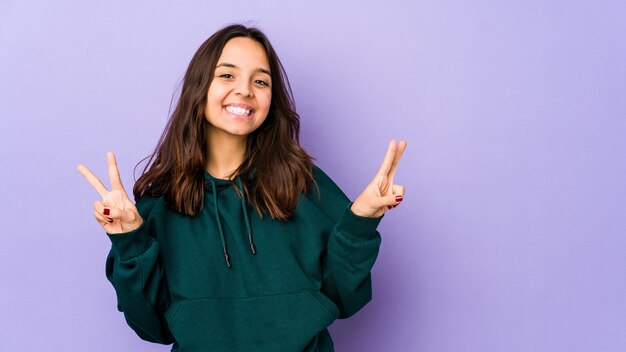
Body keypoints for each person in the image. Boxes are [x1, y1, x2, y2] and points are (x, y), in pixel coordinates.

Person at [77, 24, 406, 352]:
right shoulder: (161, 202)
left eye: (260, 81)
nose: (245, 90)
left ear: (270, 99)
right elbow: (151, 326)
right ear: (200, 87)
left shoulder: (303, 184)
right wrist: (131, 241)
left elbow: (345, 297)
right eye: (227, 75)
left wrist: (359, 223)